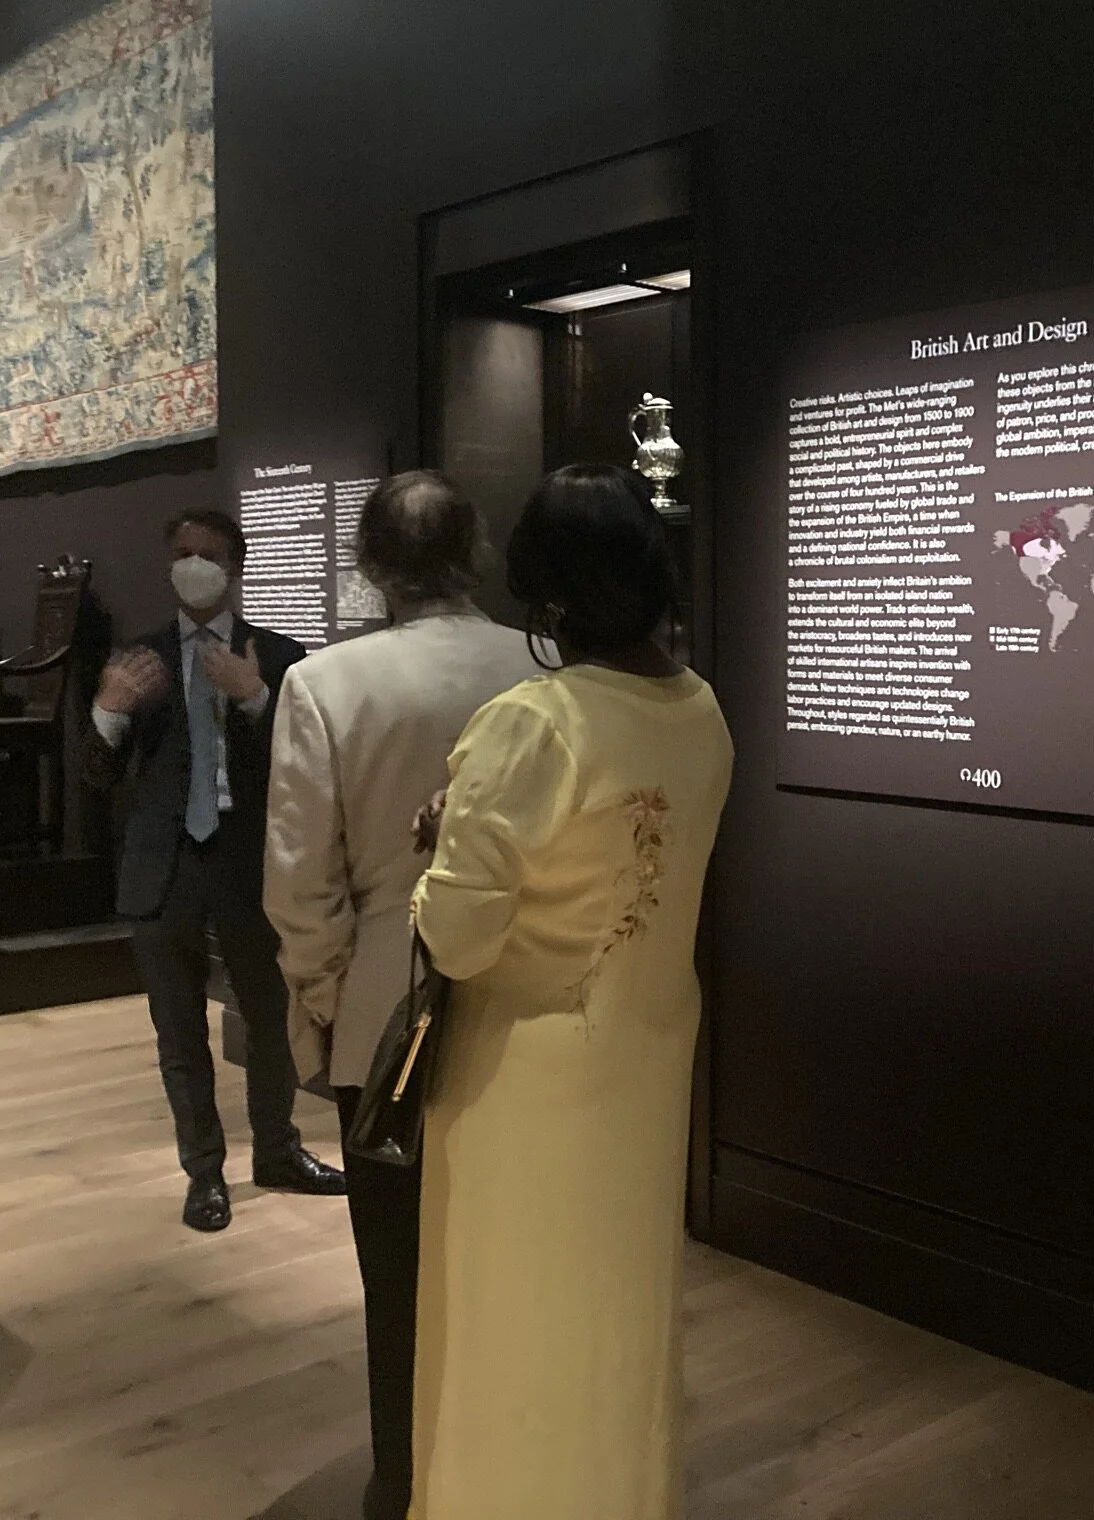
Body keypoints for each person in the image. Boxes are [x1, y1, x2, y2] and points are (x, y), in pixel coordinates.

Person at [406, 465, 732, 1519]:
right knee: (618, 1314)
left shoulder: (531, 724)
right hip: (644, 1057)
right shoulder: (700, 710)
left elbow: (459, 940)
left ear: (545, 597)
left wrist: (436, 851)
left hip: (525, 1079)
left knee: (512, 1320)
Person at [263, 471, 539, 1520]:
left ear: (369, 565)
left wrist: (324, 998)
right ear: (474, 551)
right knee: (513, 1254)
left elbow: (300, 881)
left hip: (386, 1001)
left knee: (399, 1270)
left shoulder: (325, 682)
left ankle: (406, 1478)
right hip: (525, 990)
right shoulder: (542, 665)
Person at [80, 508, 344, 1232]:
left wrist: (253, 699)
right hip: (164, 864)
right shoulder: (139, 661)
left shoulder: (282, 657)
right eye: (182, 552)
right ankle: (204, 1173)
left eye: (209, 554)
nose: (193, 565)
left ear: (237, 566)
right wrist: (108, 711)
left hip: (251, 861)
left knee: (270, 1018)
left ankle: (278, 1151)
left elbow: (310, 765)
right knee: (179, 1032)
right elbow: (96, 776)